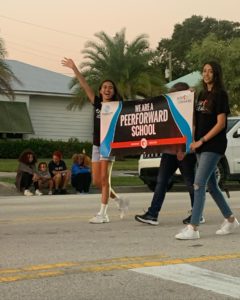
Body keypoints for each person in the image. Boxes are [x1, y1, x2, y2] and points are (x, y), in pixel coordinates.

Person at [175, 61, 239, 240]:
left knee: (198, 183)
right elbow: (195, 122)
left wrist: (202, 140)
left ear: (216, 74)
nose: (207, 74)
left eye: (210, 71)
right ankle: (231, 219)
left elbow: (221, 124)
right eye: (204, 71)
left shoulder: (221, 95)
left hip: (213, 145)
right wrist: (191, 143)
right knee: (212, 186)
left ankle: (193, 228)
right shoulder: (201, 94)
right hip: (200, 146)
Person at [61, 57, 129, 223]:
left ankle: (103, 214)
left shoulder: (117, 106)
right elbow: (84, 85)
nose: (107, 89)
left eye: (110, 88)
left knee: (105, 180)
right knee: (98, 181)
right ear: (100, 91)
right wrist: (74, 68)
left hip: (108, 146)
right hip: (96, 145)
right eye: (104, 87)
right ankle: (120, 201)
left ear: (113, 92)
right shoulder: (97, 103)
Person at [135, 82, 204, 225]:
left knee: (190, 183)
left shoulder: (191, 111)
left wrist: (184, 150)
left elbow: (192, 130)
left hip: (185, 153)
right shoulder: (170, 109)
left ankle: (197, 214)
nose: (173, 97)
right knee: (161, 182)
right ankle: (152, 214)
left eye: (175, 94)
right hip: (170, 151)